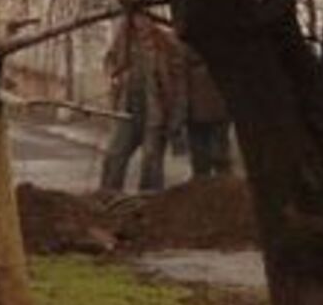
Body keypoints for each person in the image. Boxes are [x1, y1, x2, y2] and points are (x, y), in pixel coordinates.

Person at [100, 15, 181, 191]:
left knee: (151, 159)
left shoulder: (164, 42)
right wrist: (117, 76)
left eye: (144, 17)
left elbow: (176, 79)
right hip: (128, 108)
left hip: (155, 110)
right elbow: (109, 62)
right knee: (115, 154)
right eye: (136, 17)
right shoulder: (124, 39)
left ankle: (150, 202)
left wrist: (175, 114)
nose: (140, 22)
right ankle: (107, 197)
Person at [178, 44, 233, 178]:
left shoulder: (186, 50)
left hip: (203, 113)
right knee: (215, 159)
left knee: (206, 161)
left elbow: (182, 85)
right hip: (211, 112)